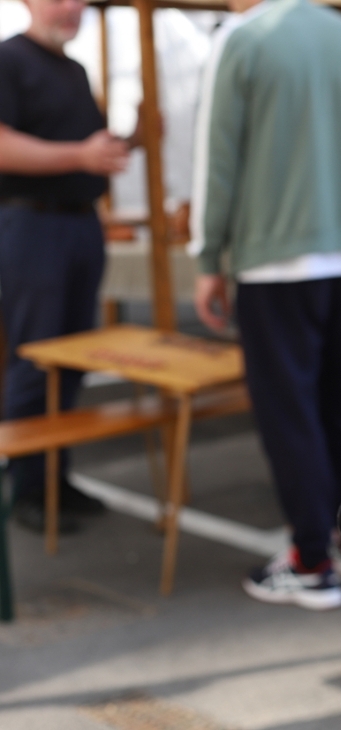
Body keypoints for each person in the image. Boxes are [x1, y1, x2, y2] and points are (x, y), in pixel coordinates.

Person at [190, 0, 341, 609]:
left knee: (290, 411)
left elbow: (218, 157)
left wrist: (208, 259)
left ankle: (311, 560)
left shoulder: (243, 39)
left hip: (274, 259)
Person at [0, 0, 133, 533]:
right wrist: (79, 157)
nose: (72, 6)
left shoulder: (74, 69)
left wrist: (133, 139)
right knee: (36, 358)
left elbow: (89, 151)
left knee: (74, 356)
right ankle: (28, 485)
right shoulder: (9, 59)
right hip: (34, 226)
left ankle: (55, 476)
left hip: (79, 224)